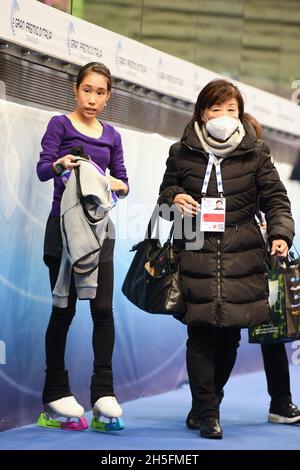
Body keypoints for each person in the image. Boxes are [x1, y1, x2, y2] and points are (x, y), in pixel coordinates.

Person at [158, 79, 295, 439]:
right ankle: (207, 412)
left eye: (230, 109)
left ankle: (209, 399)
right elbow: (165, 196)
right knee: (200, 335)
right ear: (202, 112)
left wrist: (280, 235)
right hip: (197, 250)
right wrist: (174, 198)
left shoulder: (257, 153)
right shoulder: (181, 151)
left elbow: (276, 199)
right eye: (215, 109)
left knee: (230, 337)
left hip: (243, 254)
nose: (222, 116)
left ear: (240, 113)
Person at [36, 62, 129, 431]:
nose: (92, 98)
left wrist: (109, 183)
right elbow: (43, 170)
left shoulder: (113, 136)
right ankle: (55, 394)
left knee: (103, 310)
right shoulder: (59, 124)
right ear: (76, 89)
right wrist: (61, 164)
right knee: (63, 310)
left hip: (100, 232)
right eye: (87, 89)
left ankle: (103, 394)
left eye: (100, 92)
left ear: (108, 96)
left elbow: (125, 184)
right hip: (62, 229)